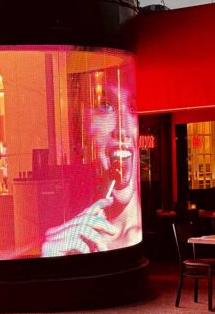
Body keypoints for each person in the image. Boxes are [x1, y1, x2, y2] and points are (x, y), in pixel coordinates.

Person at [40, 81, 141, 256]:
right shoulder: (68, 235)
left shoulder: (137, 237)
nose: (122, 129)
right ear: (81, 134)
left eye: (133, 108)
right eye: (105, 106)